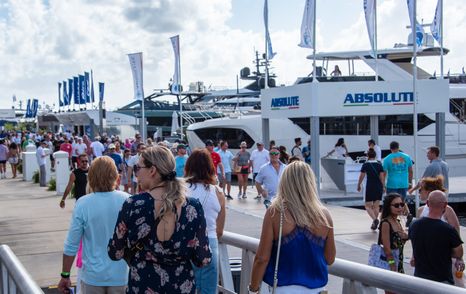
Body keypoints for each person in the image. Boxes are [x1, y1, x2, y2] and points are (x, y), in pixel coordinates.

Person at [107, 146, 212, 293]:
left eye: (139, 167)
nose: (137, 173)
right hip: (181, 287)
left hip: (143, 286)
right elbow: (203, 258)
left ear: (152, 170)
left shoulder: (134, 205)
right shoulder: (193, 207)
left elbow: (115, 252)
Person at [249, 161, 336, 293]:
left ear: (285, 182)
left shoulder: (275, 213)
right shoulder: (324, 215)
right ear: (310, 183)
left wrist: (253, 289)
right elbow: (330, 259)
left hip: (281, 289)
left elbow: (262, 258)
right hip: (316, 290)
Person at [58, 156, 129, 293]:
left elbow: (71, 244)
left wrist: (65, 275)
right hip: (121, 275)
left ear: (90, 177)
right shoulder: (127, 200)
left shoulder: (83, 204)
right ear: (115, 176)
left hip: (92, 276)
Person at [185, 149, 226, 294]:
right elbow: (220, 231)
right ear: (210, 167)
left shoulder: (180, 190)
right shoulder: (218, 192)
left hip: (184, 245)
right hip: (210, 244)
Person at [409, 191, 463, 285]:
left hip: (419, 279)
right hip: (442, 281)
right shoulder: (449, 230)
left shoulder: (414, 225)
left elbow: (414, 243)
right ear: (445, 205)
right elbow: (458, 253)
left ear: (427, 203)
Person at [378, 193, 408, 282]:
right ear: (388, 206)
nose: (400, 207)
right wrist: (392, 265)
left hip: (399, 264)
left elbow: (399, 244)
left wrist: (405, 237)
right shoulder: (386, 223)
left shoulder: (398, 221)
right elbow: (387, 249)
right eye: (396, 205)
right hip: (390, 265)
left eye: (402, 204)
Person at [382, 141, 413, 223]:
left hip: (392, 184)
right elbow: (410, 171)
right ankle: (408, 214)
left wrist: (383, 185)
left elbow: (384, 173)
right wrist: (410, 182)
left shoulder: (387, 159)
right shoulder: (407, 157)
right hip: (404, 183)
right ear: (398, 147)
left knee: (391, 203)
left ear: (390, 148)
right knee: (402, 201)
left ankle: (393, 220)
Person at [357, 148, 384, 230]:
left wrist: (359, 185)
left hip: (369, 186)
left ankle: (375, 220)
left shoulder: (366, 165)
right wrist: (383, 187)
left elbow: (362, 176)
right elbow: (382, 177)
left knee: (368, 206)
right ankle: (374, 222)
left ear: (368, 156)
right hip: (378, 186)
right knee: (376, 206)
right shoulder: (379, 165)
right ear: (375, 156)